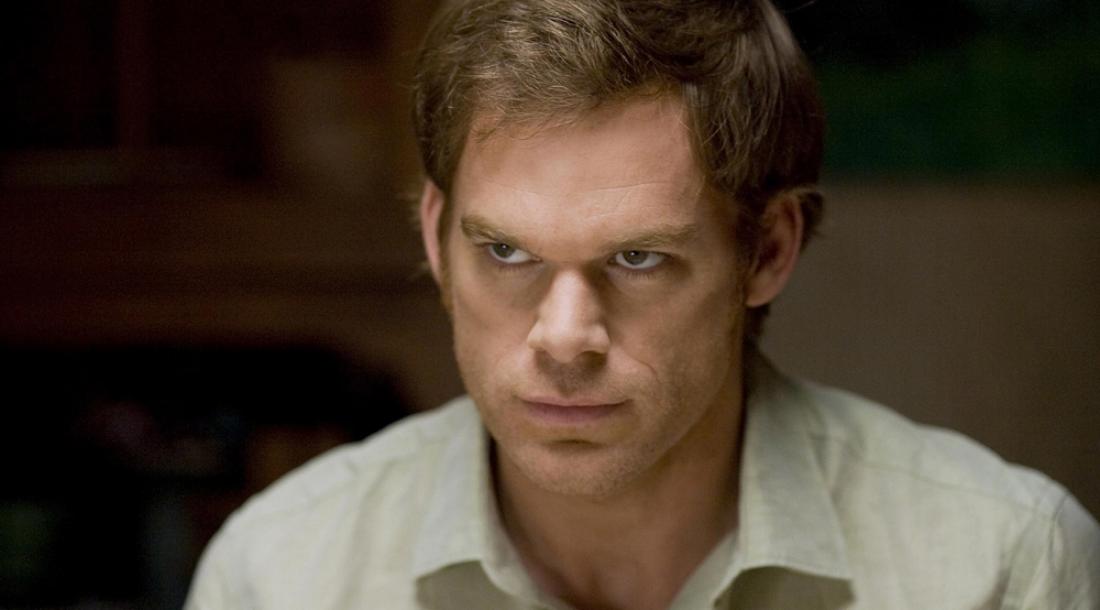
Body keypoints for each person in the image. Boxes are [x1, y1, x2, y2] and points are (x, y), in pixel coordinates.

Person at [185, 0, 1100, 608]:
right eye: (505, 251)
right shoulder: (281, 573)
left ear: (767, 252)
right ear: (434, 234)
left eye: (637, 258)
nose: (564, 338)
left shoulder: (1002, 566)